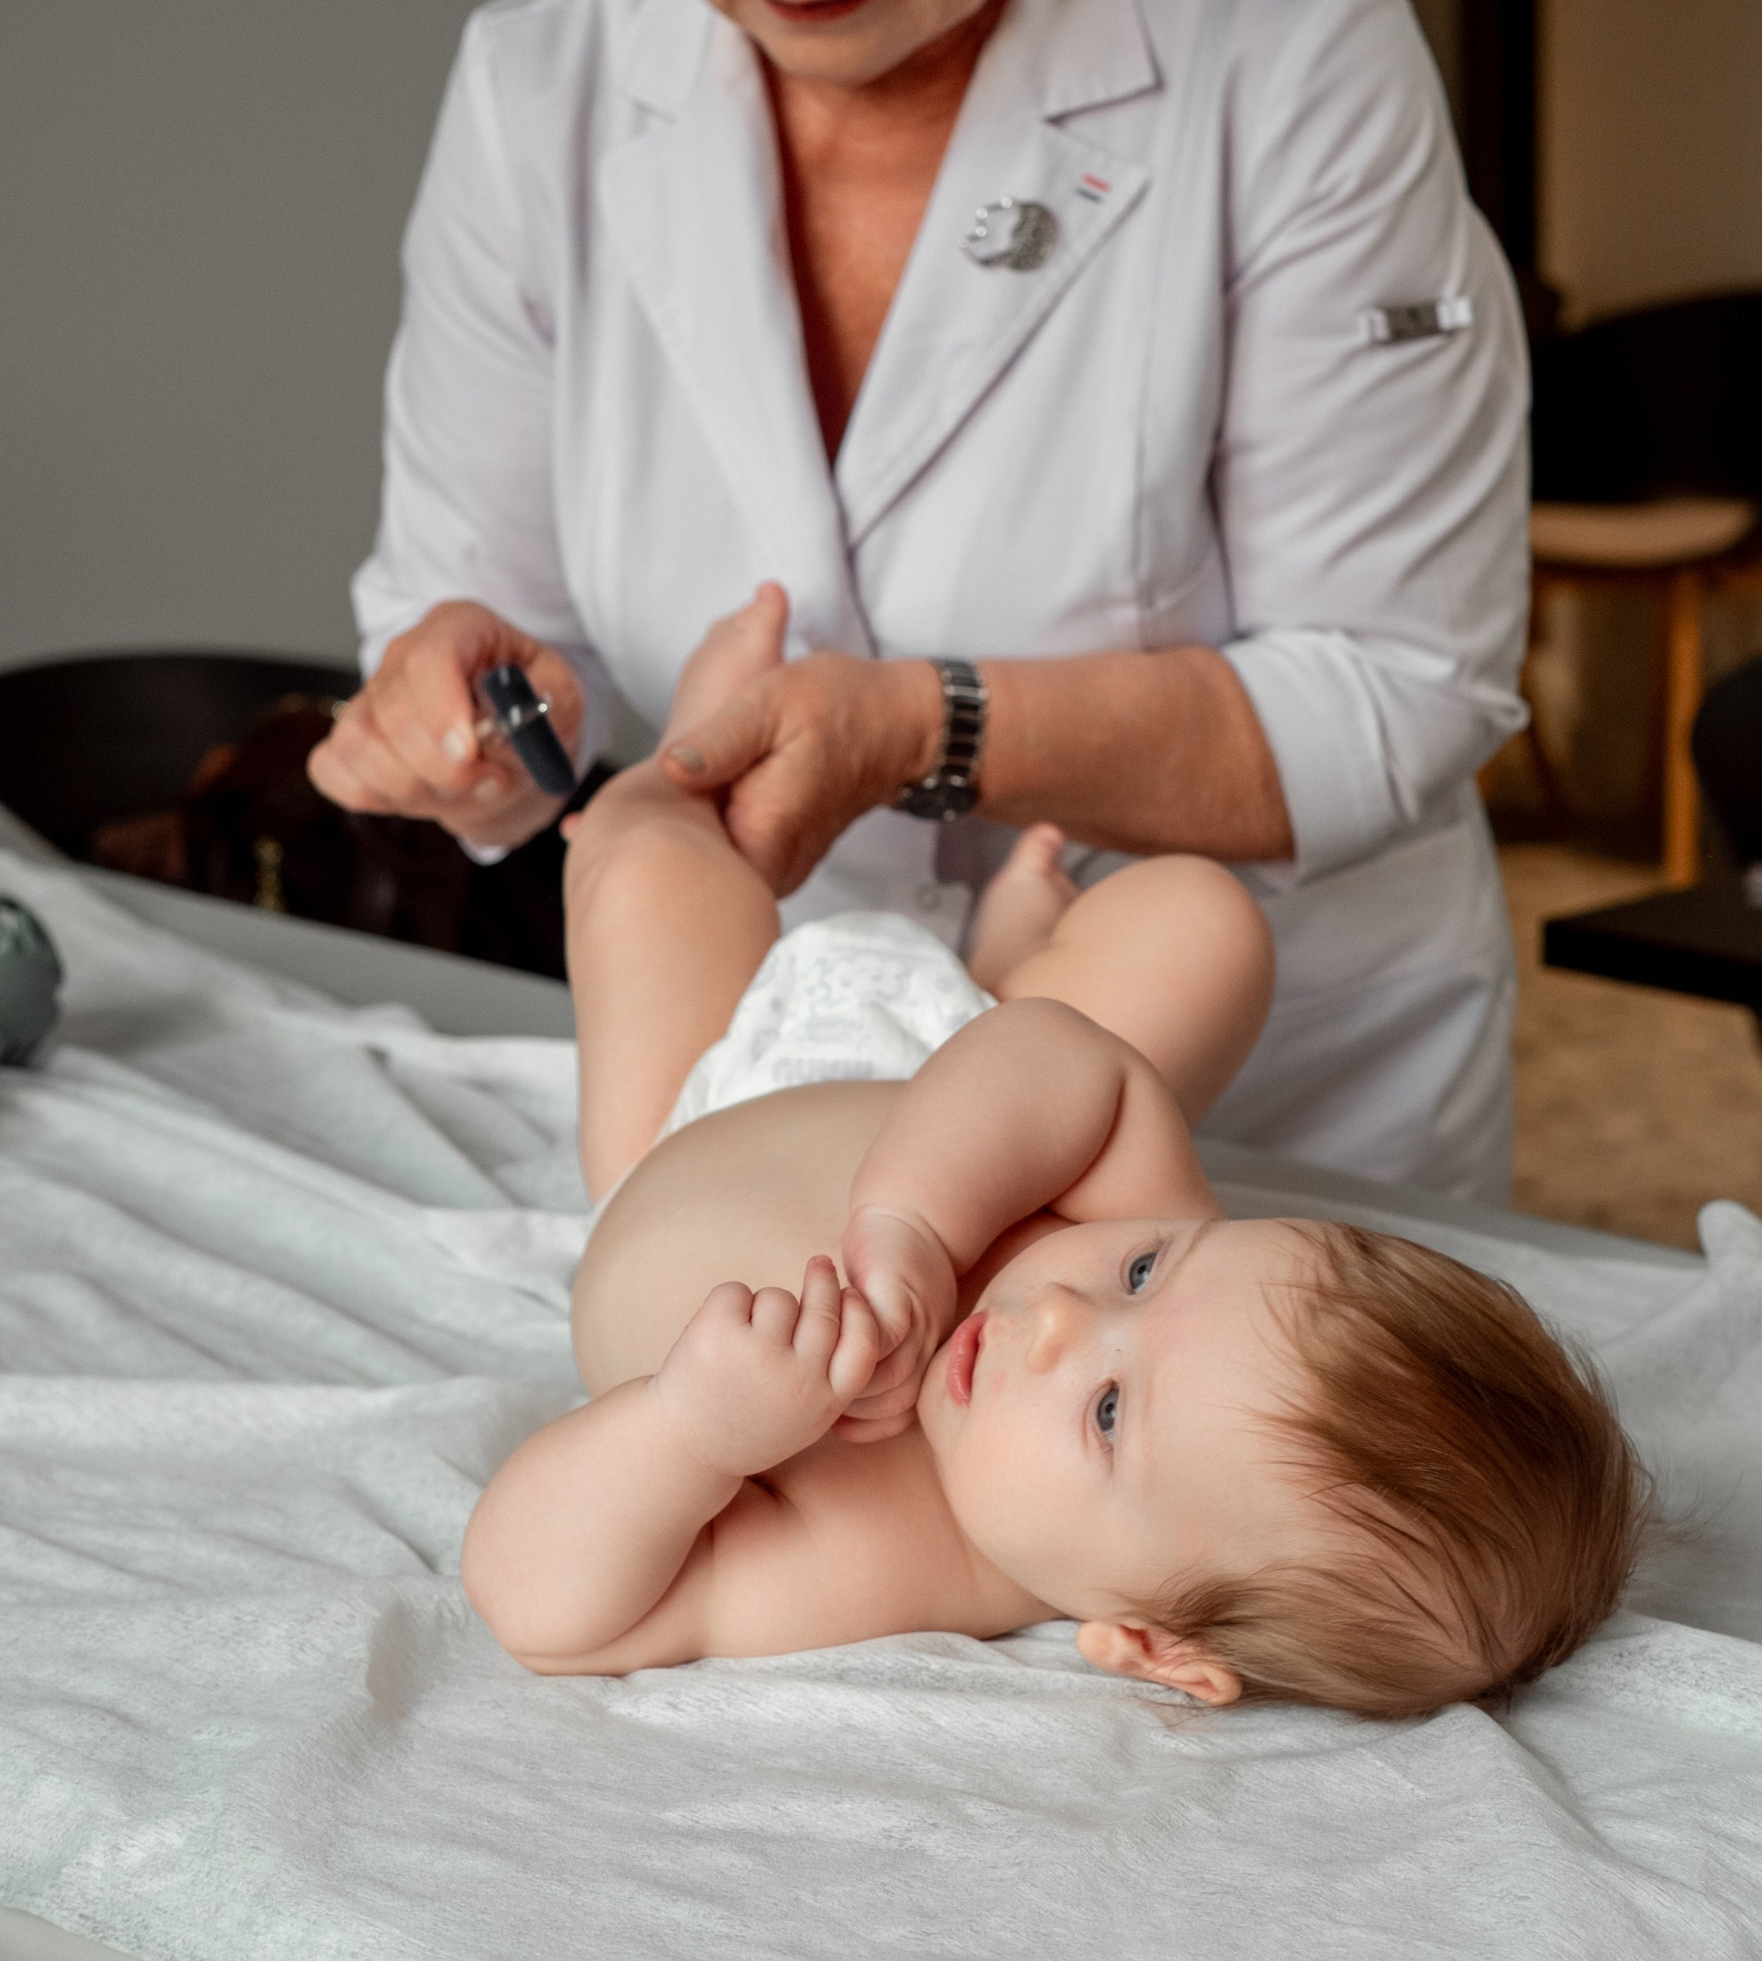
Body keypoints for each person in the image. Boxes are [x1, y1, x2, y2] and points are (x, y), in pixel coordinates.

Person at [312, 0, 1531, 1201]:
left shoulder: (1287, 57)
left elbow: (1396, 688)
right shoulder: (543, 88)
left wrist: (922, 732)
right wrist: (469, 718)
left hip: (1262, 1128)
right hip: (777, 1104)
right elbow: (484, 617)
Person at [462, 592, 1647, 1718]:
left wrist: (689, 1429)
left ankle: (681, 767)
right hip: (945, 1062)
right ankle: (1000, 963)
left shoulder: (881, 1556)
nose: (1064, 1314)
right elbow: (1060, 1057)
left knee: (643, 871)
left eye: (1111, 1413)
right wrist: (915, 1224)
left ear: (1150, 1642)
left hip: (697, 1107)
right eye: (1148, 1271)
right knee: (1199, 919)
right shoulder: (1126, 1225)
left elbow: (545, 1613)